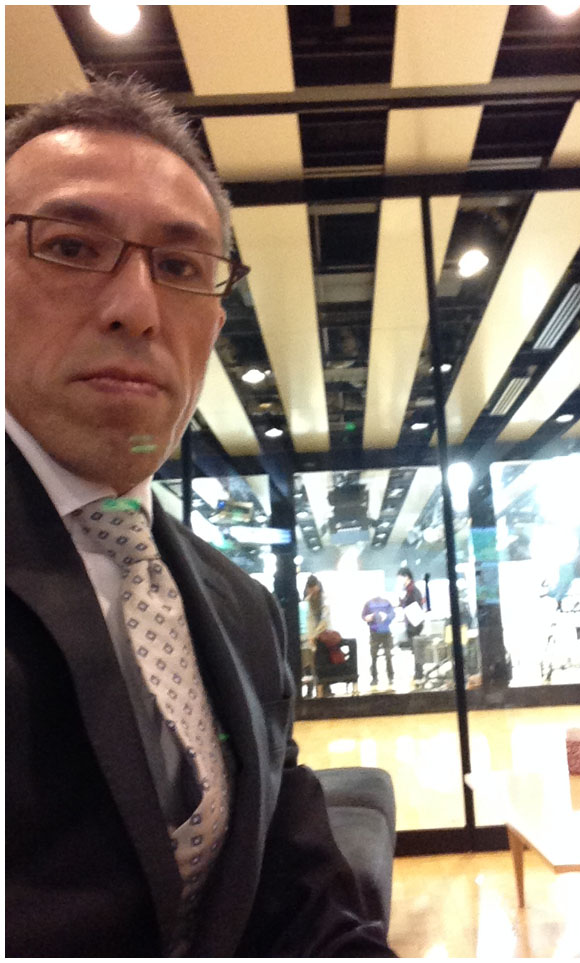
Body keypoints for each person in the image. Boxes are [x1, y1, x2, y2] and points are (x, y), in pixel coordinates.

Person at [5, 77, 394, 958]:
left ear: (214, 323)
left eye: (179, 268)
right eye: (69, 246)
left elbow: (297, 900)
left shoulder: (239, 608)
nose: (136, 309)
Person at [397, 567, 426, 686]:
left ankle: (419, 674)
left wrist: (403, 602)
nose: (399, 580)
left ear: (406, 577)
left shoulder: (412, 590)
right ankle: (418, 673)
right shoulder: (409, 590)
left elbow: (415, 604)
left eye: (400, 577)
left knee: (416, 649)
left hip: (414, 623)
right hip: (412, 622)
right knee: (415, 650)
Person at [362, 595, 396, 690]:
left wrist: (387, 616)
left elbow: (392, 614)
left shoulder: (381, 602)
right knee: (376, 656)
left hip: (382, 632)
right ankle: (377, 677)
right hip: (377, 632)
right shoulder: (370, 603)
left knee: (386, 656)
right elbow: (363, 616)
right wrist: (368, 617)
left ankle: (388, 676)